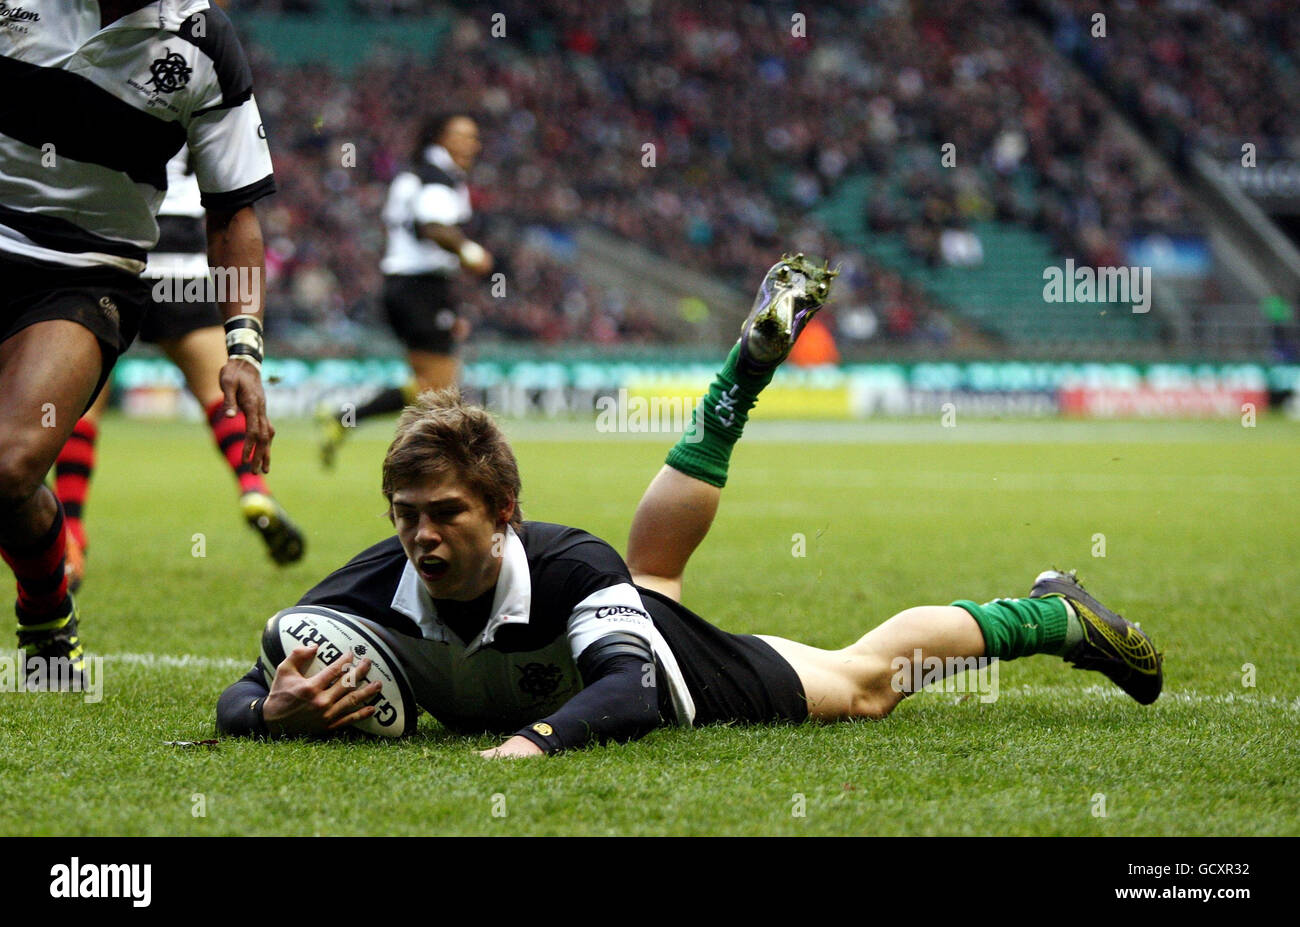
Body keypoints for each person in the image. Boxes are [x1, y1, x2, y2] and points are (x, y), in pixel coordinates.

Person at [217, 255, 1163, 753]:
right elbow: (248, 684)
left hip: (668, 665)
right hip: (625, 608)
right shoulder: (377, 578)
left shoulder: (569, 562)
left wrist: (536, 744)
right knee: (651, 576)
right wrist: (271, 713)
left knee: (867, 684)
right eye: (405, 512)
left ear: (504, 508)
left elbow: (628, 689)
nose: (421, 534)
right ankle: (742, 375)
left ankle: (1054, 614)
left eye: (447, 514)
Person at [0, 0, 276, 685]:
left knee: (9, 467)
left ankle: (46, 611)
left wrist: (243, 344)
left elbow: (232, 210)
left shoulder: (205, 41)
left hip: (85, 271)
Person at [56, 148, 304, 591]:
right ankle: (253, 487)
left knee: (82, 408)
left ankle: (72, 530)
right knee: (217, 394)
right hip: (182, 254)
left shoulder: (100, 80)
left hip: (111, 244)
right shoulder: (204, 87)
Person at [317, 112, 494, 467]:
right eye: (463, 135)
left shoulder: (412, 176)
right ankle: (419, 465)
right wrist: (471, 252)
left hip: (406, 285)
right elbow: (433, 227)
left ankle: (350, 418)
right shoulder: (437, 178)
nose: (472, 144)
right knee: (441, 391)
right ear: (439, 138)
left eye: (474, 137)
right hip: (421, 288)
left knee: (431, 386)